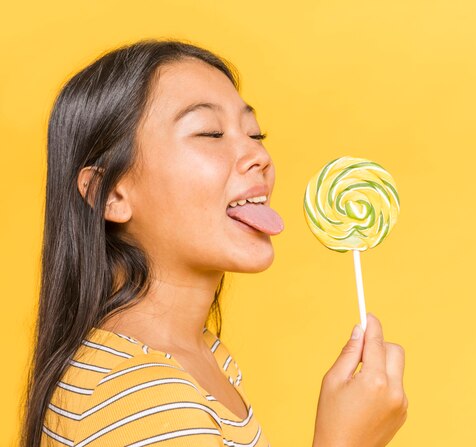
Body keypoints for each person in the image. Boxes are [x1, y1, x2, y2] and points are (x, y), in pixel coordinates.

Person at [20, 38, 408, 447]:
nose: (259, 155)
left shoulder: (199, 358)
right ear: (111, 192)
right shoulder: (144, 399)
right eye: (210, 133)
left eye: (256, 133)